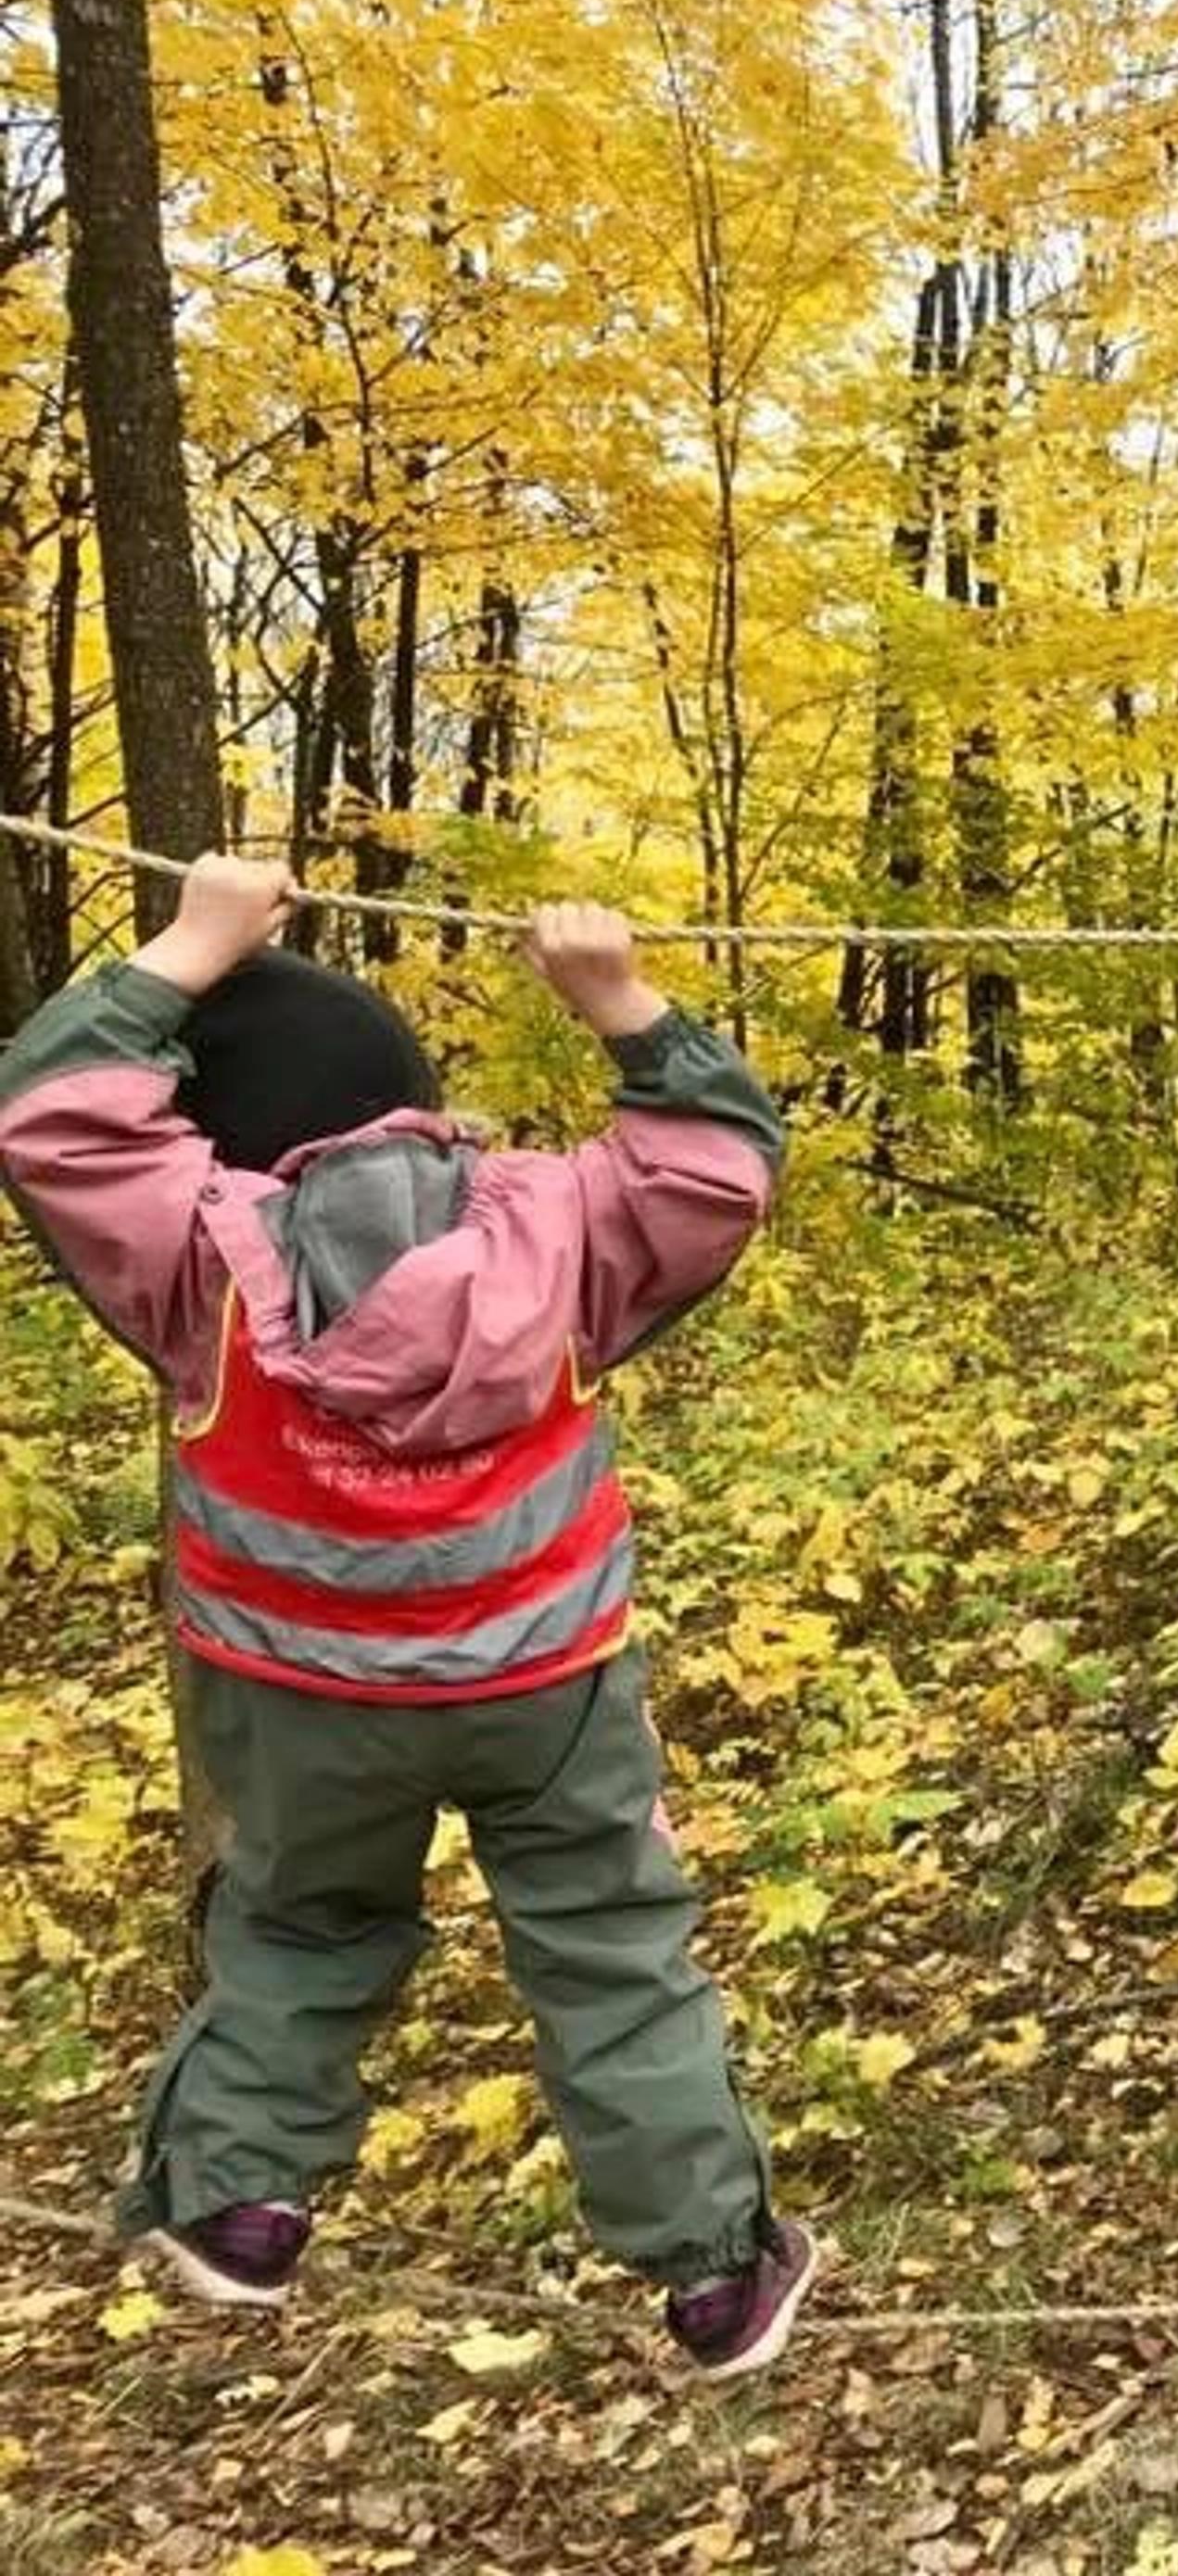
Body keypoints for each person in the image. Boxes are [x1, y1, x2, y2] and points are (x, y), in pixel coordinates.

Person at [0, 854, 814, 2377]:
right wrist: (626, 1007)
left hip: (301, 1694)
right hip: (545, 1684)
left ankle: (236, 2201)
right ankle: (713, 2272)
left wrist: (183, 950)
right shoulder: (555, 1228)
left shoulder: (194, 1258)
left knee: (299, 1926)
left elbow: (52, 1116)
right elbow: (716, 1168)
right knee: (611, 1946)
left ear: (221, 1131)